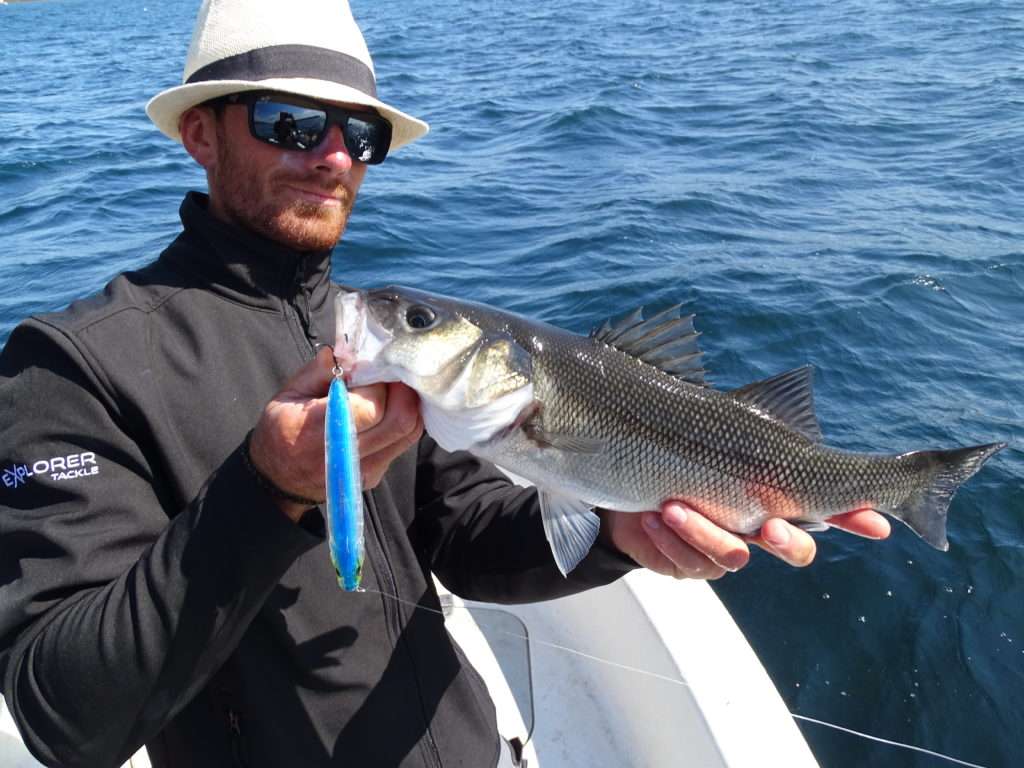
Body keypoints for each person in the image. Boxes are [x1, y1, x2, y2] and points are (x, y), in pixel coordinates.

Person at [0, 1, 890, 767]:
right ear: (201, 133)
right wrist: (264, 494)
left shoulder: (384, 339)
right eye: (290, 123)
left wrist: (621, 529)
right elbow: (64, 714)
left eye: (360, 134)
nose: (334, 158)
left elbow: (461, 537)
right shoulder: (74, 366)